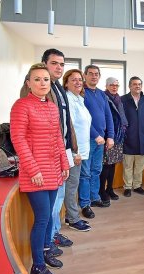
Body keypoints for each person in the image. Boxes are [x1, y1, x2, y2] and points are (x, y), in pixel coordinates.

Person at [10, 63, 70, 274]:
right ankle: (38, 266)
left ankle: (45, 250)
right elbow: (18, 140)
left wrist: (64, 163)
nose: (42, 83)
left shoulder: (52, 107)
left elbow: (58, 139)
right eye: (37, 79)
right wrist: (33, 170)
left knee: (50, 215)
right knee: (43, 218)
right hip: (35, 173)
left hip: (54, 170)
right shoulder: (21, 105)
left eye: (46, 79)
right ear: (28, 83)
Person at [41, 49, 78, 255]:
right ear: (44, 63)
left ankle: (53, 233)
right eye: (54, 63)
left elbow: (66, 122)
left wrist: (72, 147)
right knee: (52, 201)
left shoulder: (58, 88)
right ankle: (47, 241)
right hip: (49, 154)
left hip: (63, 149)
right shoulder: (42, 86)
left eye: (61, 64)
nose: (58, 67)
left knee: (59, 196)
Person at [80, 65, 114, 218]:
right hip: (88, 140)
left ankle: (95, 198)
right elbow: (82, 120)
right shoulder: (81, 94)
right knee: (85, 173)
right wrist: (95, 135)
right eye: (91, 74)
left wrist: (110, 136)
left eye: (96, 74)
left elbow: (108, 116)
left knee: (96, 171)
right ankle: (85, 203)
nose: (94, 76)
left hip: (101, 140)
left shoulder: (101, 94)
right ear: (85, 75)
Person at [63, 69, 92, 232]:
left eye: (80, 80)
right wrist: (74, 153)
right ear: (66, 82)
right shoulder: (68, 99)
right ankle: (73, 219)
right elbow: (69, 129)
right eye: (74, 80)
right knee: (72, 185)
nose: (78, 82)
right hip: (75, 152)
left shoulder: (78, 99)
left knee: (73, 184)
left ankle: (70, 215)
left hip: (81, 150)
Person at [121, 76, 144, 197]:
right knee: (128, 165)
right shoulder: (123, 99)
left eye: (139, 84)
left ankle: (137, 185)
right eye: (134, 84)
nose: (137, 86)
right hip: (129, 137)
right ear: (129, 86)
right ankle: (128, 187)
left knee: (140, 165)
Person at [99, 77, 128, 202]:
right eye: (111, 85)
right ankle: (102, 190)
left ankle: (110, 189)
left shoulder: (118, 99)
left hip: (118, 136)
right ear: (106, 86)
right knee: (105, 166)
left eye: (116, 85)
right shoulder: (103, 97)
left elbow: (122, 117)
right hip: (107, 136)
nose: (114, 87)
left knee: (112, 165)